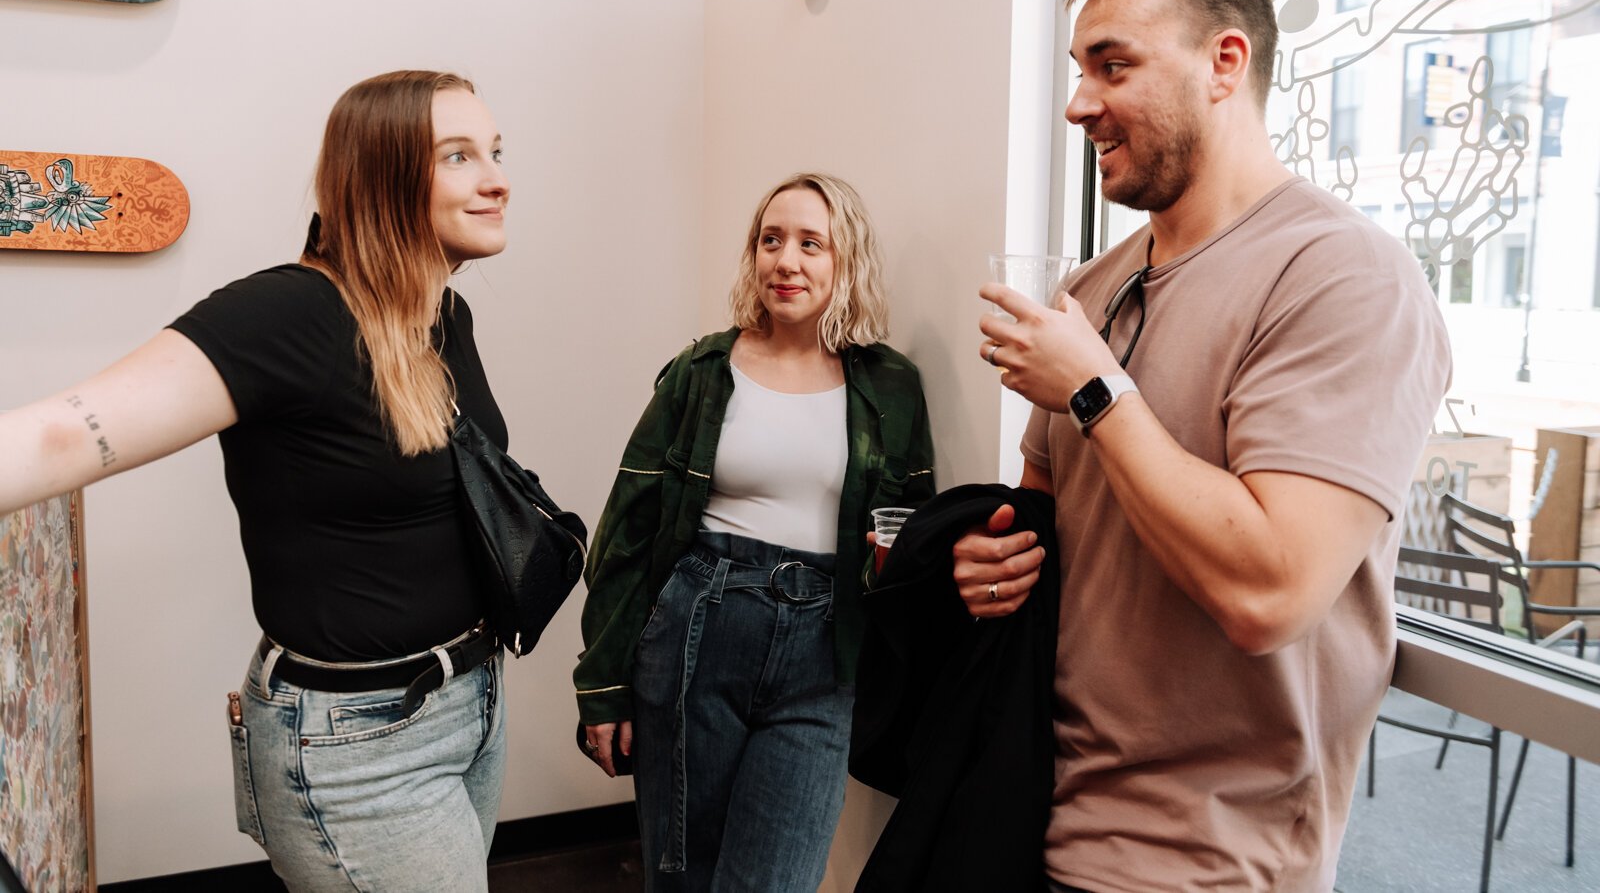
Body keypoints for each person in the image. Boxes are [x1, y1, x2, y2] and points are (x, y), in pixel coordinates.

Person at [966, 0, 1451, 892]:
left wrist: (1095, 390)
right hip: (1035, 820)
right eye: (1079, 69)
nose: (1079, 103)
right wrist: (990, 564)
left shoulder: (1345, 278)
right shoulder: (1090, 291)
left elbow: (1270, 592)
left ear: (1226, 62)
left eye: (1114, 66)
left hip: (1214, 863)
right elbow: (1044, 527)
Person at [0, 70, 516, 892]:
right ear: (379, 176)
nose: (496, 179)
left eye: (494, 151)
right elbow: (63, 434)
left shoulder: (444, 317)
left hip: (469, 702)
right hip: (356, 743)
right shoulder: (289, 315)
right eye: (459, 156)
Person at [575, 172, 936, 891]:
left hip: (825, 656)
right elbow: (627, 534)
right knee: (684, 878)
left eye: (810, 244)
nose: (785, 261)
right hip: (697, 633)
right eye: (771, 240)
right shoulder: (702, 371)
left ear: (847, 259)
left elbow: (914, 529)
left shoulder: (890, 385)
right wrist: (603, 684)